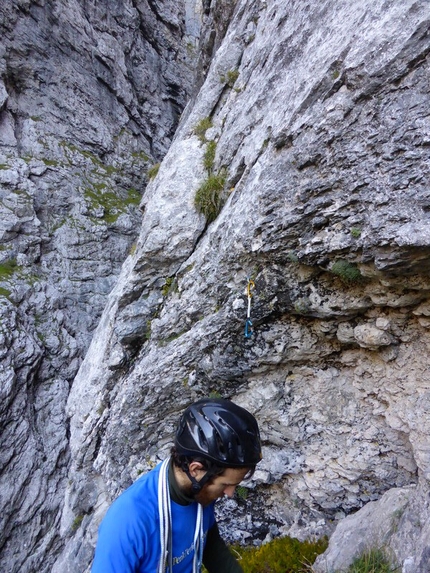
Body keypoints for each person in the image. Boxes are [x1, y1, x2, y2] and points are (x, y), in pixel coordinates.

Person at [91, 397, 262, 573]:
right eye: (226, 484)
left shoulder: (200, 493)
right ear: (196, 469)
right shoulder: (129, 520)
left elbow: (211, 547)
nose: (230, 493)